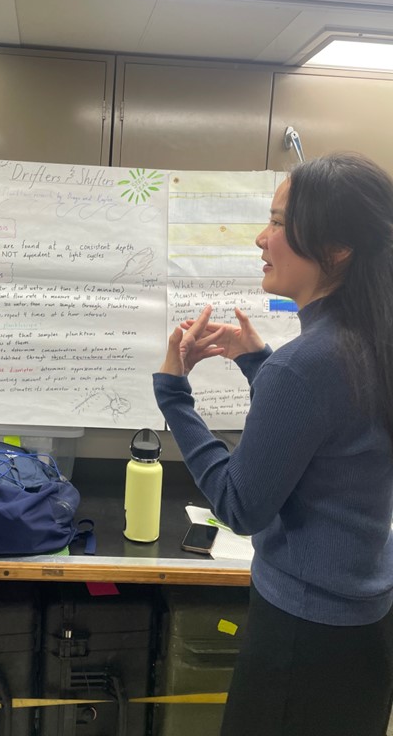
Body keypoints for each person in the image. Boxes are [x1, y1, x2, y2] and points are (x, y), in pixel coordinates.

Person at [154, 152, 393, 736]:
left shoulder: (308, 363)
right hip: (366, 627)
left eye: (280, 223)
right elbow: (331, 432)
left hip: (300, 638)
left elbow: (240, 506)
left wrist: (174, 397)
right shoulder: (371, 339)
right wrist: (258, 361)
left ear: (335, 250)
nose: (262, 239)